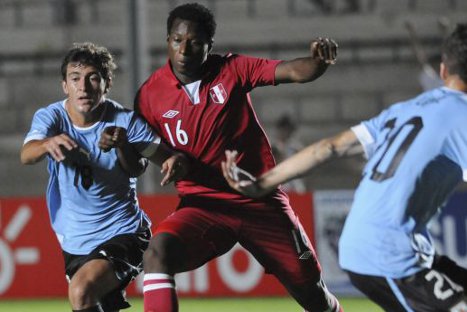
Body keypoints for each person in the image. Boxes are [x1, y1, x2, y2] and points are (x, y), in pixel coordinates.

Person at [222, 23, 467, 312]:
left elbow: (329, 147)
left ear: (442, 71)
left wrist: (260, 183)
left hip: (363, 247)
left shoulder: (404, 110)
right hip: (392, 256)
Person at [134, 3, 340, 312]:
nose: (185, 49)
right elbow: (143, 147)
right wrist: (166, 158)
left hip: (260, 201)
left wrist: (318, 63)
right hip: (203, 205)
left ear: (210, 45)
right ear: (167, 40)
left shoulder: (232, 69)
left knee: (313, 294)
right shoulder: (150, 94)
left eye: (195, 42)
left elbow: (295, 70)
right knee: (157, 252)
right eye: (177, 40)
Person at [20, 42, 188, 312]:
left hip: (124, 232)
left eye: (93, 78)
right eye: (75, 79)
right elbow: (27, 154)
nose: (83, 87)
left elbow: (153, 162)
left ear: (106, 83)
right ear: (65, 85)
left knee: (81, 292)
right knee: (94, 302)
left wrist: (135, 149)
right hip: (74, 242)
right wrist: (45, 144)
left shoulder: (125, 121)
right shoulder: (52, 117)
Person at [271, 114, 306, 193]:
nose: (286, 133)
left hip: (295, 185)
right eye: (284, 130)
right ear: (279, 129)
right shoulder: (272, 147)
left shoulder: (295, 147)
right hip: (279, 184)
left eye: (289, 130)